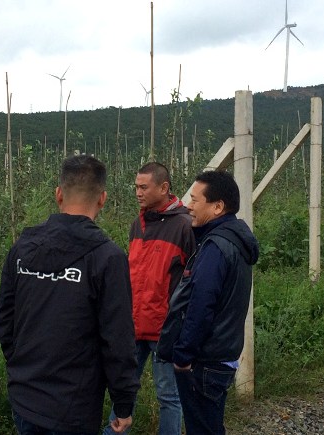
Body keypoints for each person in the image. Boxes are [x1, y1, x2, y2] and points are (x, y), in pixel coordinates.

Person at [0, 155, 140, 435]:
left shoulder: (23, 248)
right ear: (102, 199)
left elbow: (3, 319)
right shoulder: (108, 258)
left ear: (58, 194)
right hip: (74, 405)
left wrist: (21, 365)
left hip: (25, 397)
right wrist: (124, 402)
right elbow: (118, 339)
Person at [158, 170, 259, 435]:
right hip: (223, 355)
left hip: (205, 360)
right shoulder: (235, 240)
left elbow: (201, 306)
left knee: (202, 428)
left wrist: (183, 355)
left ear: (217, 207)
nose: (188, 206)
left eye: (194, 200)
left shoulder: (216, 246)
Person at [104, 163, 192, 435]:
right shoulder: (137, 225)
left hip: (165, 328)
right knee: (123, 389)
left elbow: (192, 281)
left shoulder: (184, 226)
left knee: (169, 395)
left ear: (164, 188)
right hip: (134, 324)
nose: (138, 193)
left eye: (144, 187)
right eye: (136, 187)